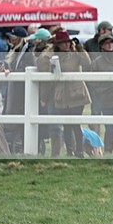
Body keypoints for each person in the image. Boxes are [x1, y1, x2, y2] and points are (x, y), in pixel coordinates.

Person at [37, 29, 92, 158]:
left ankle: (79, 150)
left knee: (75, 123)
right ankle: (70, 150)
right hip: (61, 95)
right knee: (66, 124)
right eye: (63, 43)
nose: (66, 45)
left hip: (77, 93)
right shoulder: (53, 57)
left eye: (67, 42)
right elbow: (41, 64)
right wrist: (49, 50)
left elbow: (87, 63)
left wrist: (79, 47)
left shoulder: (75, 55)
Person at [2, 27, 36, 153]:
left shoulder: (28, 51)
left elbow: (31, 67)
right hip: (16, 90)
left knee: (22, 118)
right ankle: (16, 146)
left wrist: (14, 72)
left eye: (13, 37)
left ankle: (23, 146)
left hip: (23, 91)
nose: (10, 39)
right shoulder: (14, 51)